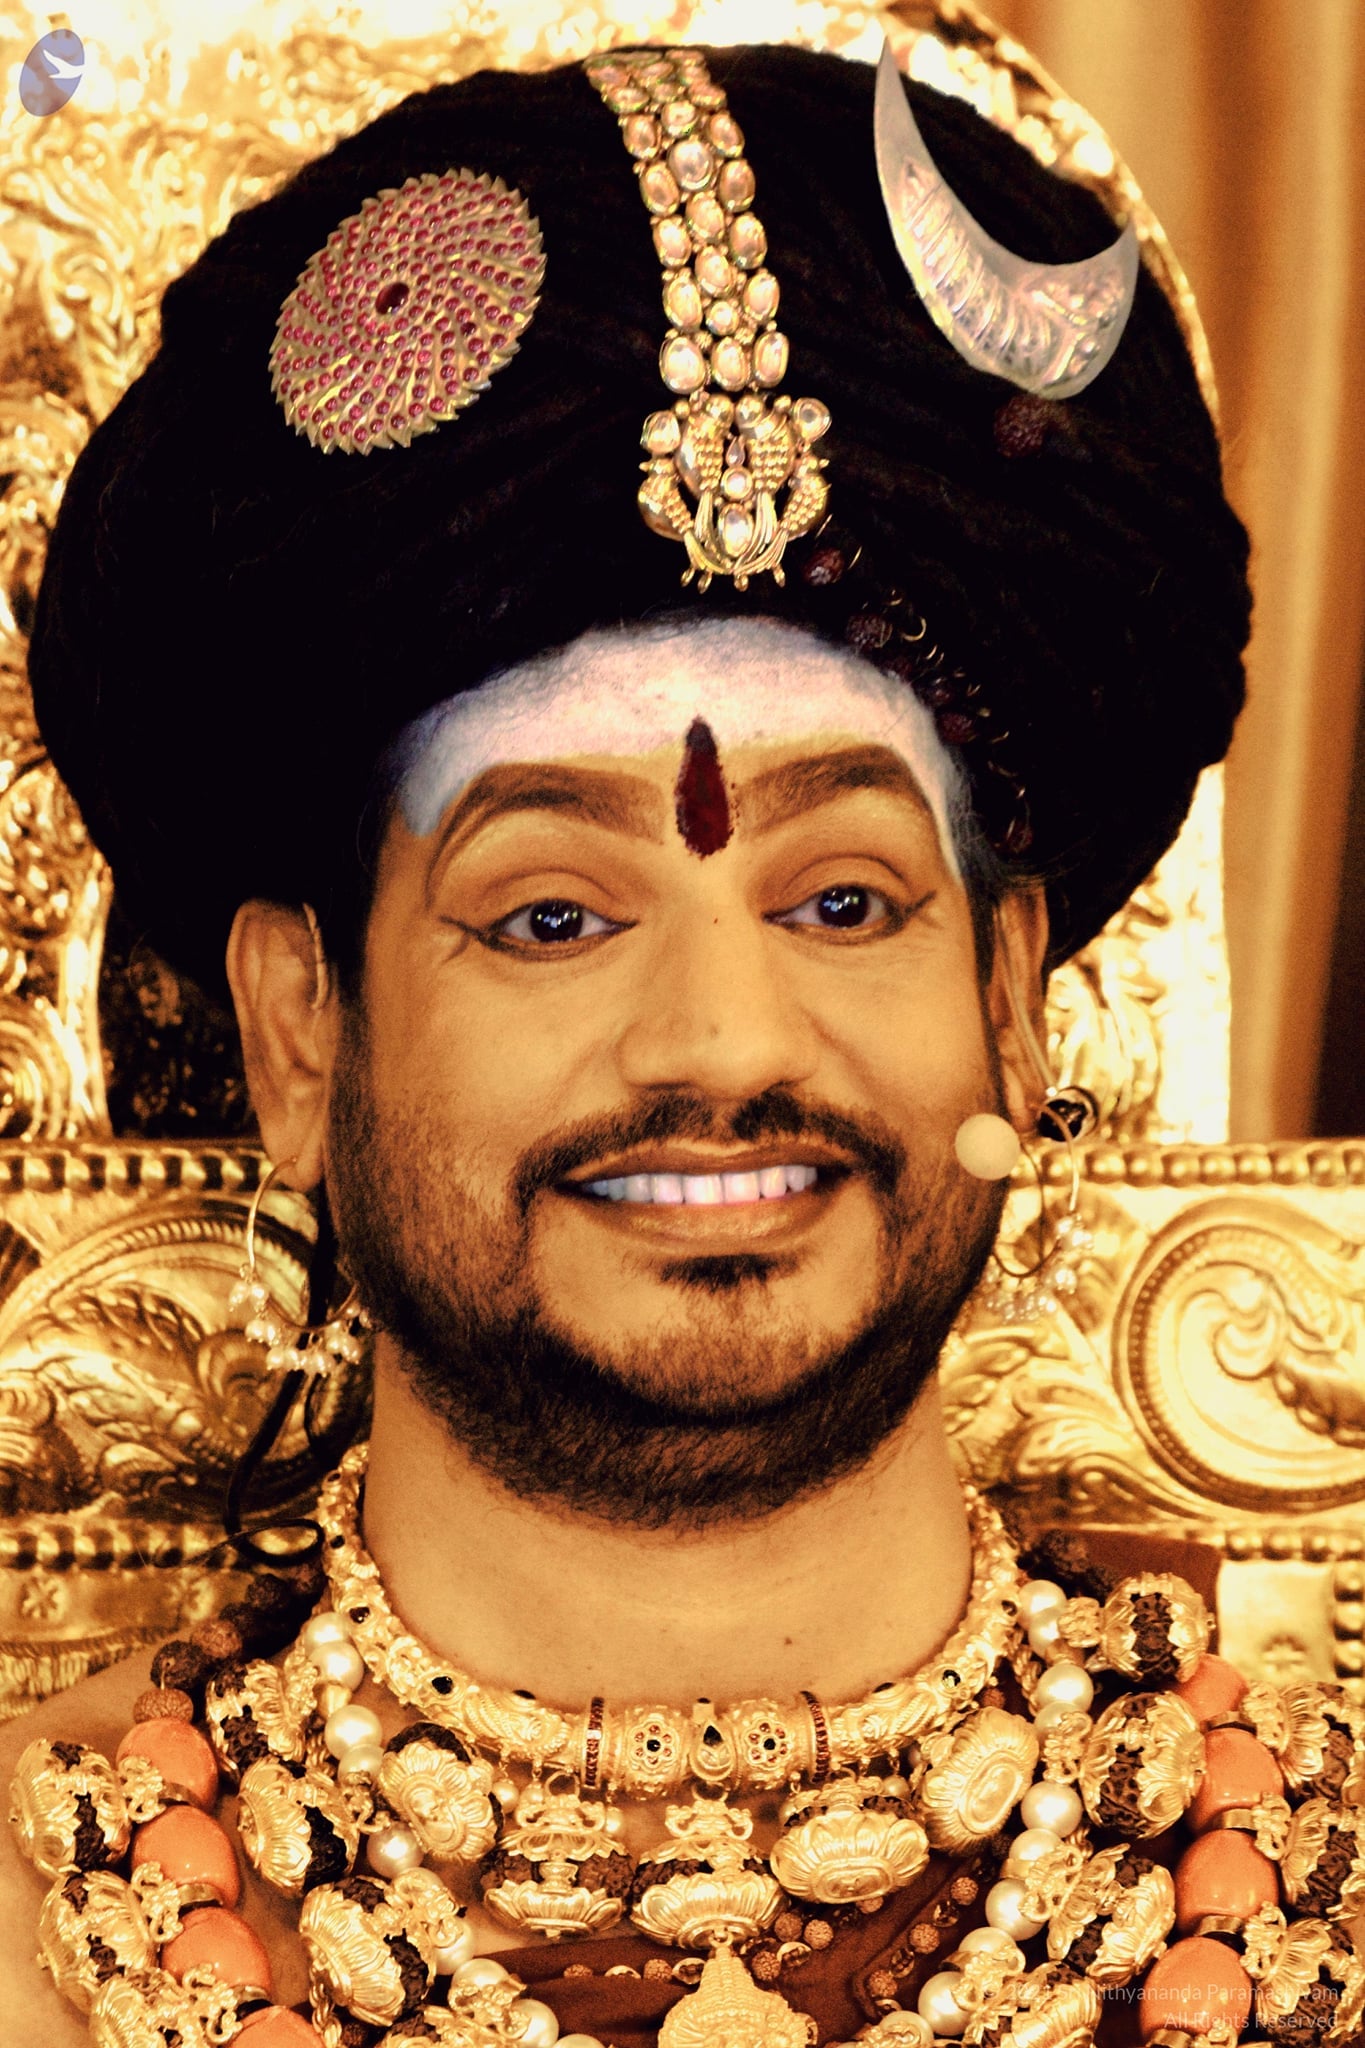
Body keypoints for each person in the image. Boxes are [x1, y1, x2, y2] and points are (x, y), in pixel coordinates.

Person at [4, 34, 1357, 2048]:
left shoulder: (1307, 1901)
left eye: (842, 903)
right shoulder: (33, 1932)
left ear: (1007, 1000)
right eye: (551, 915)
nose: (722, 1038)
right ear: (300, 1031)